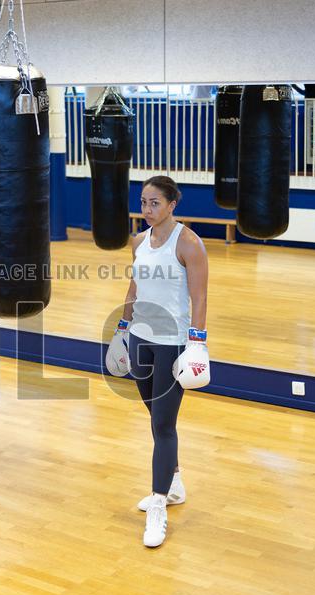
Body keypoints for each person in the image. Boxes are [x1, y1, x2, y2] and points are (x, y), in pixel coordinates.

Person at [114, 175, 209, 548]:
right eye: (143, 202)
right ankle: (175, 483)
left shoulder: (189, 243)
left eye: (155, 203)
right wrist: (122, 328)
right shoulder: (138, 241)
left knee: (165, 425)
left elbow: (199, 297)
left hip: (172, 343)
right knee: (154, 416)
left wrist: (197, 343)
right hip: (141, 340)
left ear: (172, 204)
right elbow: (134, 287)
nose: (147, 209)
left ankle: (158, 505)